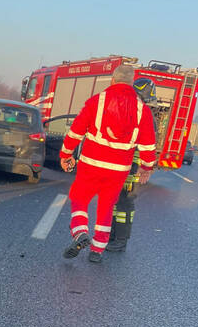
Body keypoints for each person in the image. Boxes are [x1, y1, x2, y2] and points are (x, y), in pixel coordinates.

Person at [60, 65, 157, 263]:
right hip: (118, 170)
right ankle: (97, 250)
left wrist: (66, 154)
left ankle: (80, 233)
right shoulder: (142, 111)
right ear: (131, 82)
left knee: (79, 197)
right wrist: (147, 168)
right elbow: (148, 145)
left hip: (91, 164)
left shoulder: (97, 101)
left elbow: (76, 131)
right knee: (106, 206)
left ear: (113, 79)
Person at [106, 78, 158, 252]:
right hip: (121, 168)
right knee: (116, 203)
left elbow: (147, 147)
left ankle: (120, 240)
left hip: (131, 170)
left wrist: (144, 168)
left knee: (124, 205)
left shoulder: (143, 115)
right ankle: (113, 237)